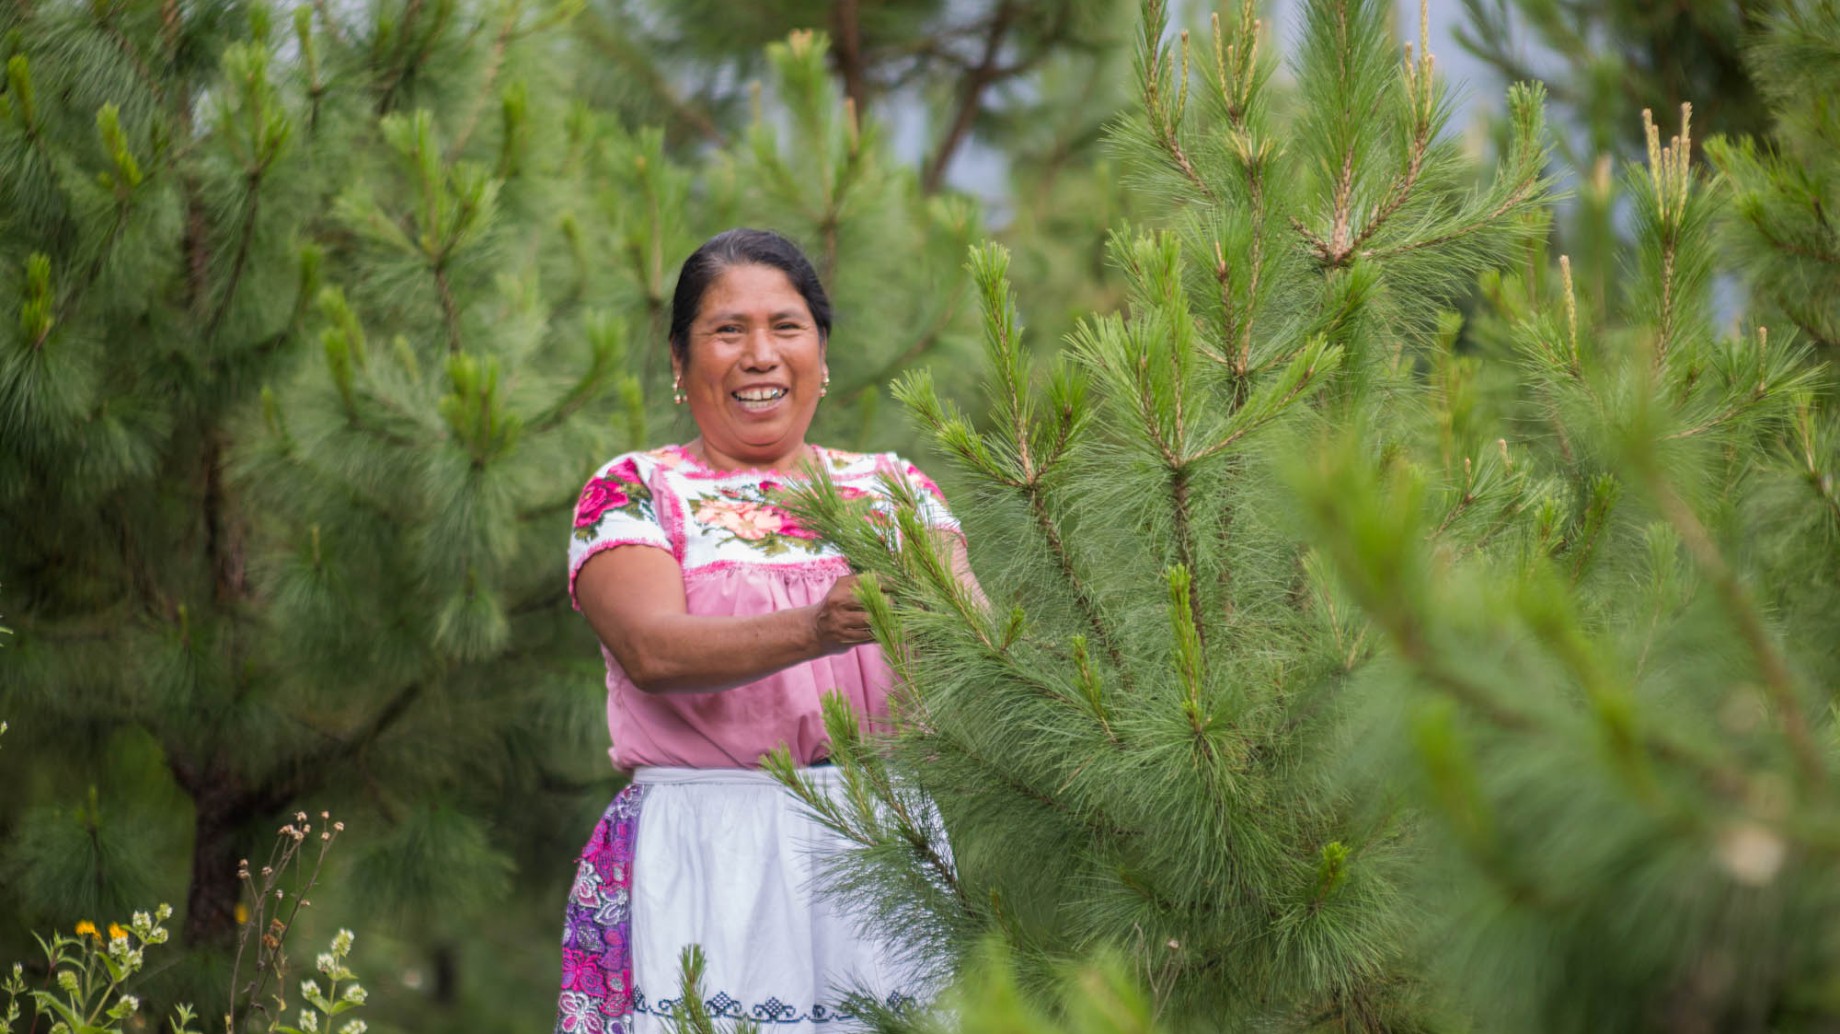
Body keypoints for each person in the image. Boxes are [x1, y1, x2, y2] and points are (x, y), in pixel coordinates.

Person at [554, 228, 964, 1034]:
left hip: (880, 843)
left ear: (822, 351)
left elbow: (972, 641)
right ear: (679, 363)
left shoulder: (894, 489)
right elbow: (651, 651)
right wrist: (817, 626)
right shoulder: (635, 490)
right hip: (706, 844)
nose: (760, 355)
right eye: (727, 330)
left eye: (786, 326)